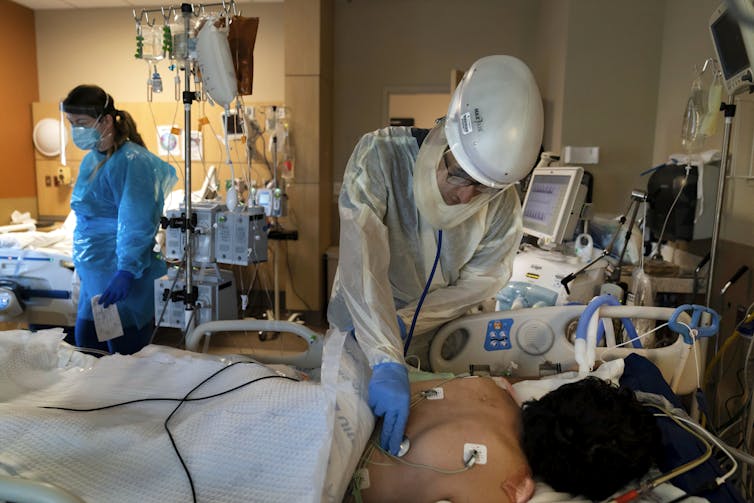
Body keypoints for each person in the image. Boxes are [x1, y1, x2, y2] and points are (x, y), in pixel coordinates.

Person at [327, 55, 544, 456]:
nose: (464, 197)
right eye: (459, 174)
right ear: (447, 137)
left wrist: (403, 328)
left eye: (482, 188)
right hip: (361, 328)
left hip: (436, 341)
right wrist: (383, 349)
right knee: (347, 443)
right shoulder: (380, 158)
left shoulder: (501, 204)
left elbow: (479, 283)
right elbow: (363, 263)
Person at [62, 85, 177, 355]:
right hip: (95, 274)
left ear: (105, 121)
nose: (76, 130)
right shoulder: (92, 160)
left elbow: (136, 221)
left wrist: (126, 270)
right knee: (89, 349)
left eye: (81, 123)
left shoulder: (132, 161)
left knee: (122, 356)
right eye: (71, 123)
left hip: (118, 273)